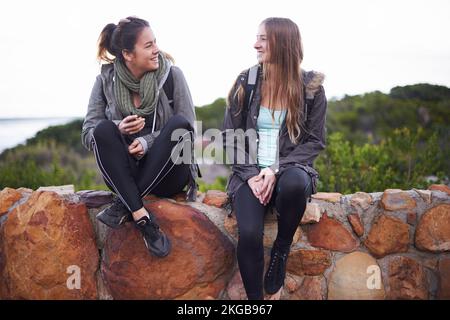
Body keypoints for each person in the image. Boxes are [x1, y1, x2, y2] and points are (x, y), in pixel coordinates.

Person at [222, 17, 327, 299]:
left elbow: (315, 141)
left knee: (294, 183)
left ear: (283, 43)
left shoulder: (311, 87)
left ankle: (282, 248)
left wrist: (276, 169)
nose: (255, 44)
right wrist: (251, 175)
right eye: (257, 38)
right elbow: (230, 136)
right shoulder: (247, 82)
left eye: (263, 39)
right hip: (249, 174)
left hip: (289, 171)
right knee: (251, 234)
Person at [82, 16, 199, 258]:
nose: (157, 49)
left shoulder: (173, 76)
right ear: (128, 54)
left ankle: (126, 205)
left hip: (169, 173)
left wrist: (148, 142)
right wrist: (118, 128)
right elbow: (88, 134)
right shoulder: (105, 81)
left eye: (155, 42)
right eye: (148, 45)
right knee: (103, 129)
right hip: (125, 172)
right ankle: (143, 218)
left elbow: (189, 130)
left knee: (179, 124)